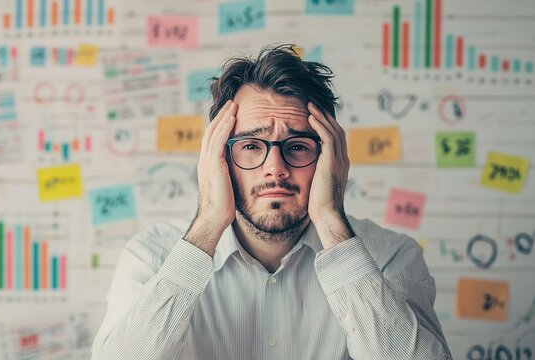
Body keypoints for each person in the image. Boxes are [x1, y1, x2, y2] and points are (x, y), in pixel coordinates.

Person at [91, 44, 452, 360]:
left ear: (332, 158)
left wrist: (330, 219)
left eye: (297, 147)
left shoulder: (391, 256)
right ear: (218, 157)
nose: (275, 170)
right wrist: (207, 224)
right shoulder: (151, 256)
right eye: (251, 146)